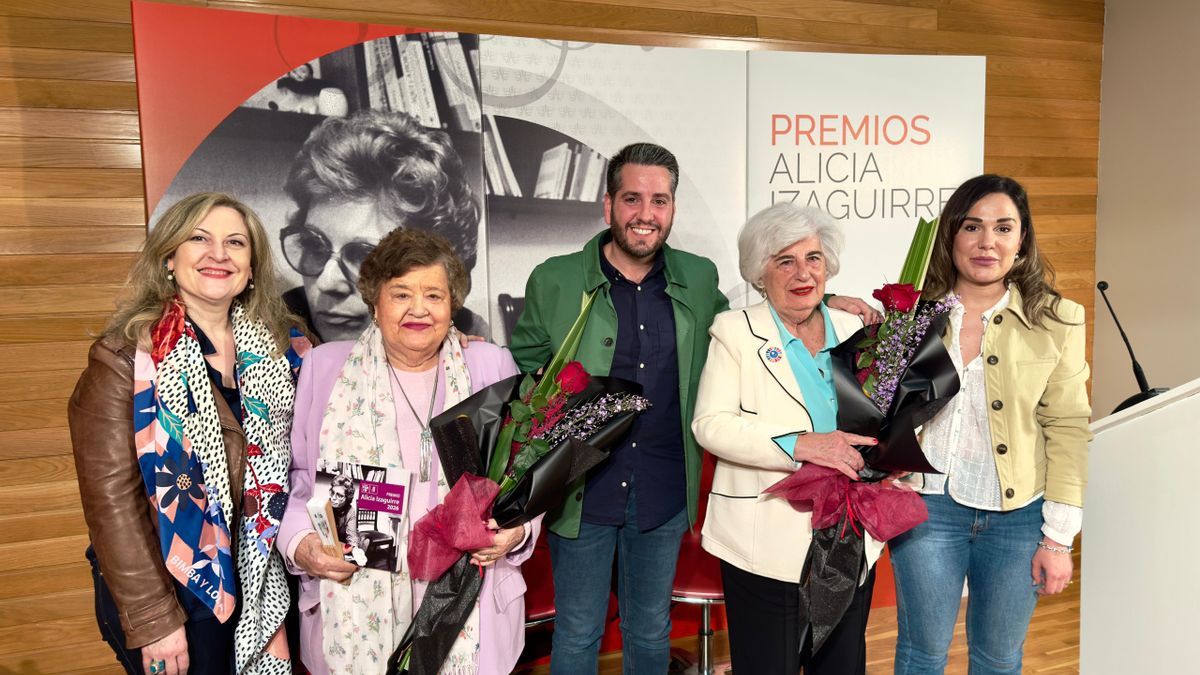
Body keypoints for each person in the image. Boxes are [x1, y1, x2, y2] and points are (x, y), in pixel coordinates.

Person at [508, 143, 880, 673]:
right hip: (581, 490)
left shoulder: (699, 277)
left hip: (661, 488)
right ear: (608, 204)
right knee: (577, 631)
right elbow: (528, 366)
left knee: (650, 628)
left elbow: (757, 325)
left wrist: (827, 300)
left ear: (673, 209)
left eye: (659, 200)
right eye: (632, 198)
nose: (645, 214)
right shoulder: (554, 278)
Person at [277, 228, 539, 674]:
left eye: (434, 295)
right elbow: (301, 479)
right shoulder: (326, 369)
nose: (419, 309)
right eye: (401, 293)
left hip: (469, 600)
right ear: (374, 303)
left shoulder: (490, 366)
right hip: (357, 596)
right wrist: (301, 545)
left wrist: (518, 531)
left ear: (451, 305)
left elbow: (522, 475)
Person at [68, 193, 309, 675]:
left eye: (235, 242)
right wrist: (154, 619)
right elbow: (111, 501)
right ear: (169, 259)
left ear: (253, 267)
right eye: (198, 238)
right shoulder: (122, 359)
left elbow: (351, 392)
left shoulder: (292, 348)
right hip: (175, 586)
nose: (218, 254)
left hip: (264, 573)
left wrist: (451, 342)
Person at [889, 174, 1092, 674]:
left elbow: (1067, 426)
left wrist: (1058, 539)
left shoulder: (1058, 319)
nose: (987, 242)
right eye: (972, 227)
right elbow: (878, 402)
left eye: (1004, 228)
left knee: (999, 660)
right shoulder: (911, 313)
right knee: (921, 655)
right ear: (951, 236)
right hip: (926, 506)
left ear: (1021, 240)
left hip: (1019, 517)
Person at [691, 202, 883, 674]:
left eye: (813, 258)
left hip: (848, 534)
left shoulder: (854, 327)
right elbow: (710, 424)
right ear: (761, 271)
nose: (803, 273)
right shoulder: (735, 332)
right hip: (763, 540)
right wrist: (802, 444)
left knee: (841, 666)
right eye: (785, 261)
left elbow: (882, 414)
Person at [280, 108, 488, 342]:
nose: (326, 282)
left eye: (365, 258)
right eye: (314, 247)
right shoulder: (273, 335)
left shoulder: (468, 343)